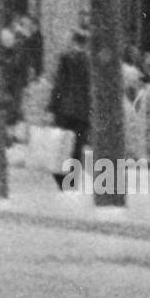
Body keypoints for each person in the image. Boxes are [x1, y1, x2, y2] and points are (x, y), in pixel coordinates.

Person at [47, 28, 91, 188]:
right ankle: (71, 180)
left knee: (62, 142)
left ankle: (60, 175)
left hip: (65, 109)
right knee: (77, 146)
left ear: (73, 41)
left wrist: (52, 106)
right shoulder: (89, 60)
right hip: (82, 110)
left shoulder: (65, 57)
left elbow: (59, 84)